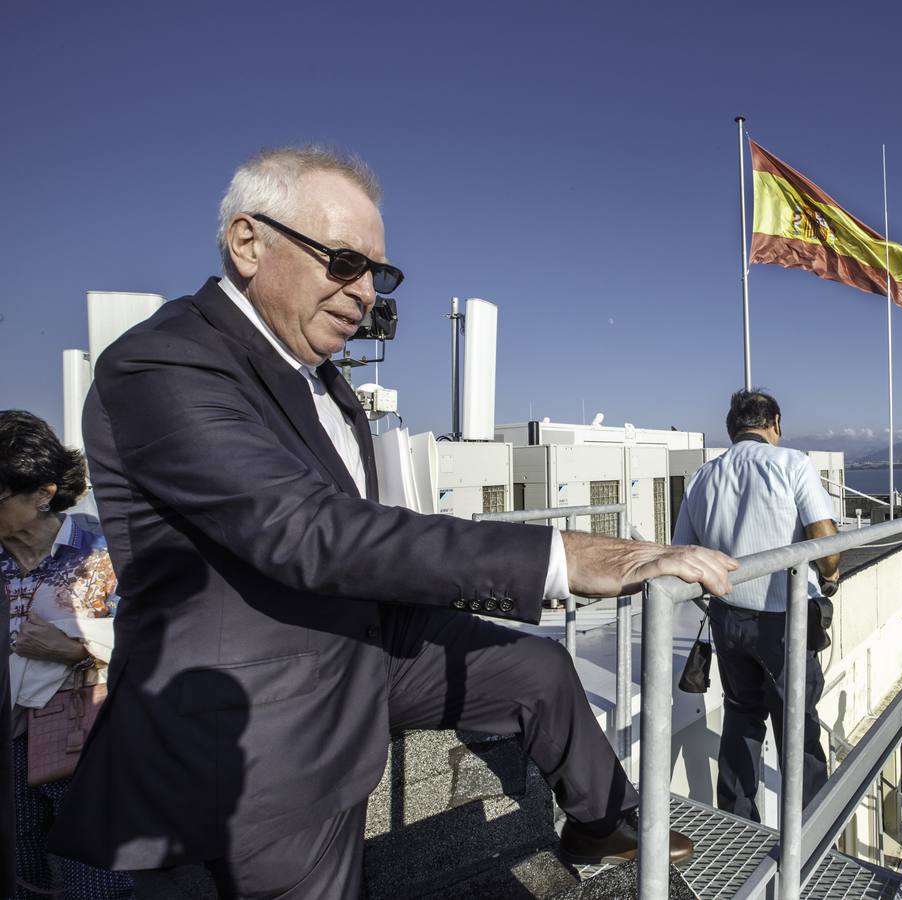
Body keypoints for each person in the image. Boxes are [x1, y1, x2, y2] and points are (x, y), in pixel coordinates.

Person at [48, 146, 737, 898]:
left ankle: (604, 824)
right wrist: (559, 555)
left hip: (362, 641)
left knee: (536, 667)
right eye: (344, 262)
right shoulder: (164, 363)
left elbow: (359, 526)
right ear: (248, 242)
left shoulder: (324, 382)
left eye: (380, 272)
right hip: (256, 715)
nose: (367, 292)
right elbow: (306, 531)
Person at [672, 390, 839, 822]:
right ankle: (810, 831)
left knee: (741, 718)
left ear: (732, 430)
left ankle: (739, 822)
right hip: (786, 623)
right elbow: (828, 547)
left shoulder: (702, 477)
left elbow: (681, 554)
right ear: (775, 423)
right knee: (797, 728)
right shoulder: (794, 464)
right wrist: (831, 575)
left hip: (728, 619)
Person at [0, 411, 133, 898]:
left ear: (42, 491)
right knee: (19, 868)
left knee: (93, 875)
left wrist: (75, 649)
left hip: (88, 736)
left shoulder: (103, 548)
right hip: (10, 738)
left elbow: (158, 639)